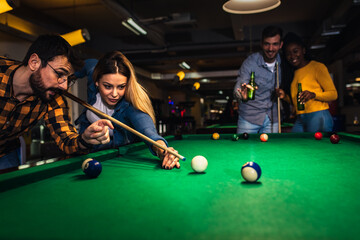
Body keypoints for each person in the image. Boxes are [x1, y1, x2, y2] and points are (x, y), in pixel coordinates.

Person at [0, 35, 113, 170]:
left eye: (68, 79)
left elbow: (66, 139)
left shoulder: (52, 98)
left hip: (5, 152)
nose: (64, 87)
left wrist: (84, 139)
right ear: (34, 62)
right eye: (59, 74)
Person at [75, 50, 180, 170]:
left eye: (121, 87)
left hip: (113, 159)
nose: (114, 94)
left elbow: (148, 131)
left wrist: (163, 151)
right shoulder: (93, 75)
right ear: (97, 82)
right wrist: (67, 79)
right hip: (82, 149)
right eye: (108, 86)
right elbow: (87, 64)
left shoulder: (130, 106)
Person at [277, 32, 338, 132]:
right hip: (301, 117)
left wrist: (313, 95)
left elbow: (333, 94)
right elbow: (297, 100)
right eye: (288, 54)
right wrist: (285, 97)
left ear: (303, 50)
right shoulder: (292, 73)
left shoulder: (317, 67)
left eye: (295, 51)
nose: (292, 56)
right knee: (294, 145)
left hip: (318, 115)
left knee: (316, 148)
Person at [233, 26, 283, 134]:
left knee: (272, 151)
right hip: (249, 117)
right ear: (261, 44)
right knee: (244, 150)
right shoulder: (250, 62)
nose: (270, 48)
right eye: (267, 44)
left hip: (273, 117)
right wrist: (241, 95)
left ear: (280, 45)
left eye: (275, 44)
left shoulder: (283, 62)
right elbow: (238, 87)